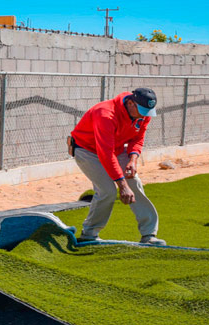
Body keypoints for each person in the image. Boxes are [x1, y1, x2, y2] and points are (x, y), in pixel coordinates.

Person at [69, 88, 165, 245]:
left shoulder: (143, 113)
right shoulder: (105, 114)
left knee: (134, 182)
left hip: (117, 148)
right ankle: (89, 233)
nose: (144, 115)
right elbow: (105, 153)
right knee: (107, 190)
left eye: (147, 112)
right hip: (87, 150)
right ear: (130, 103)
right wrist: (122, 184)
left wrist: (133, 159)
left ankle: (149, 234)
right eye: (141, 111)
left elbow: (138, 138)